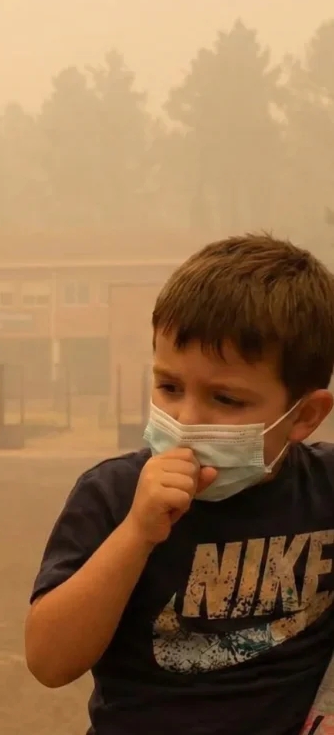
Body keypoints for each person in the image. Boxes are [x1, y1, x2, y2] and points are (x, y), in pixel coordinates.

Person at [25, 234, 334, 735]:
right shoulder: (111, 494)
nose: (187, 420)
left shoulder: (325, 492)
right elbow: (49, 661)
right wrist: (136, 534)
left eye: (226, 399)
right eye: (169, 387)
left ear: (305, 416)